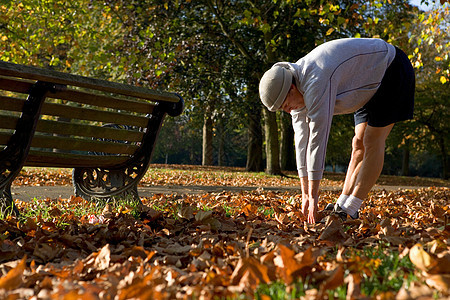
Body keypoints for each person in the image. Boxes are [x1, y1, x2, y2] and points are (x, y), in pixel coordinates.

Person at [259, 38, 415, 224]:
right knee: (358, 143)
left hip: (391, 69)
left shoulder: (315, 81)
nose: (289, 111)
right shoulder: (294, 87)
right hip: (365, 84)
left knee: (372, 140)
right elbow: (302, 142)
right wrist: (305, 195)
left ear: (292, 89)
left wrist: (314, 195)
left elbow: (318, 139)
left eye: (286, 106)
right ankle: (342, 203)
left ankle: (351, 208)